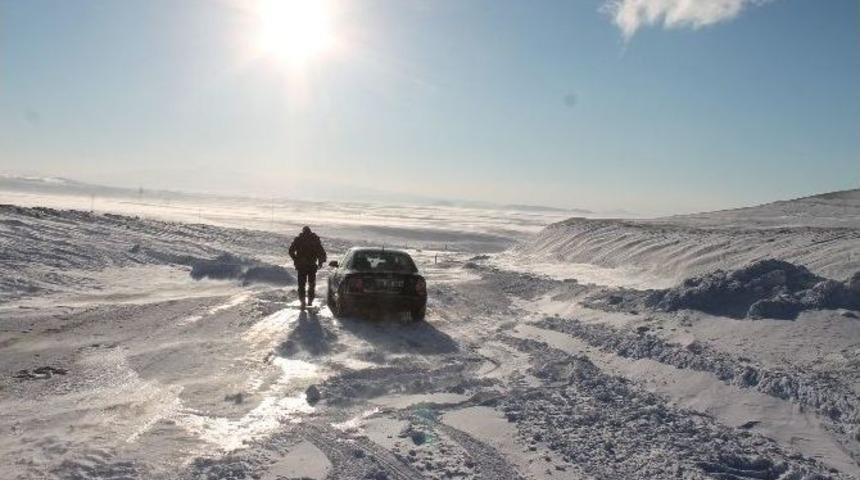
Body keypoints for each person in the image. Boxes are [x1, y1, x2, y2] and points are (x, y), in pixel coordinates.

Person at [288, 226, 327, 309]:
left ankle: (303, 302)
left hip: (302, 266)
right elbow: (321, 253)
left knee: (302, 285)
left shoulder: (299, 239)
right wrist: (320, 262)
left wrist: (296, 259)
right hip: (311, 265)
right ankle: (309, 301)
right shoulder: (314, 240)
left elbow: (291, 251)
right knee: (311, 284)